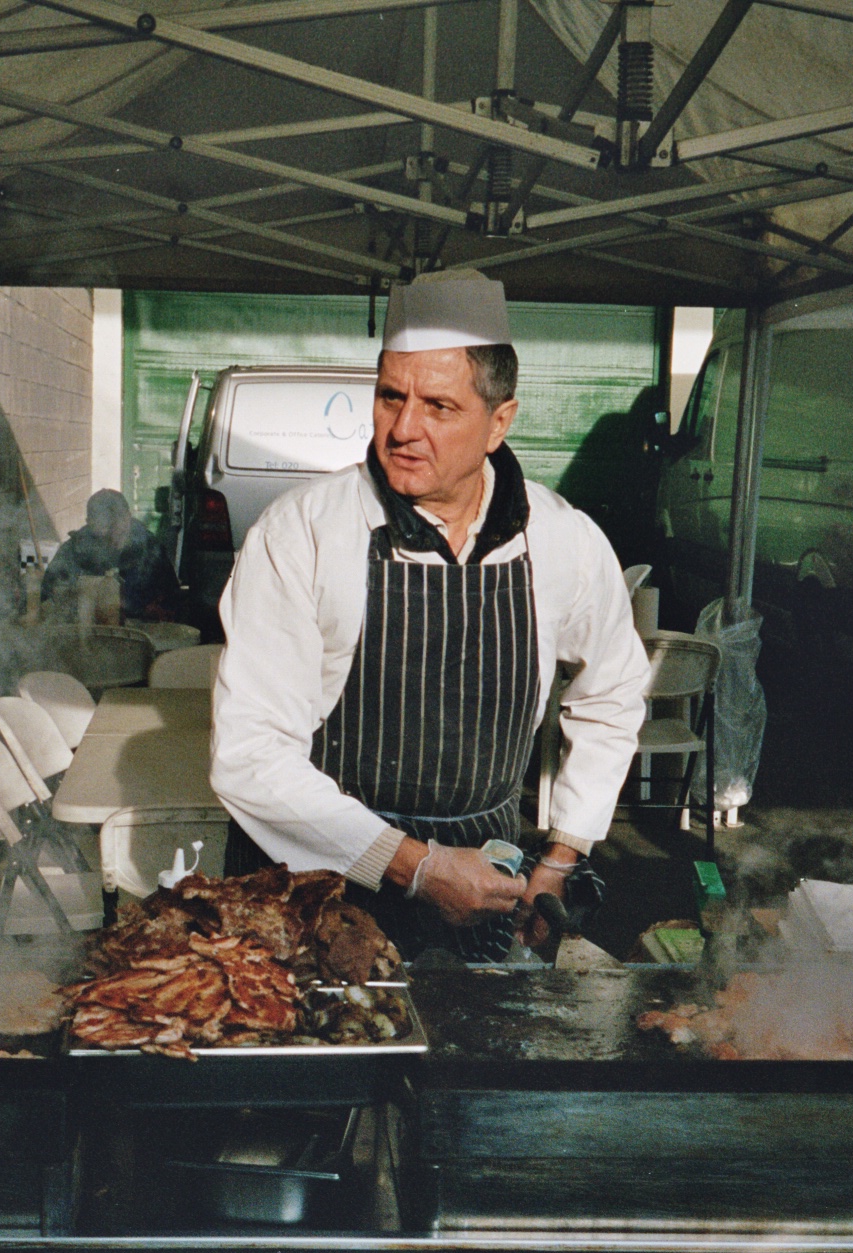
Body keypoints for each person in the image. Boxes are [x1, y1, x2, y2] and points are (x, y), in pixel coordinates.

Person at [209, 271, 648, 962]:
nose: (403, 429)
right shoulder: (303, 534)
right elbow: (250, 755)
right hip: (317, 889)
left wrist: (561, 856)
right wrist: (414, 864)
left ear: (499, 421)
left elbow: (613, 694)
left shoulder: (565, 541)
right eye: (390, 396)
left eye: (439, 406)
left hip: (485, 890)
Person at [41, 488, 180, 622]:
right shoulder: (73, 550)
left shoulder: (150, 549)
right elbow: (46, 594)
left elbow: (173, 601)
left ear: (128, 517)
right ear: (89, 522)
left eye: (118, 522)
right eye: (105, 527)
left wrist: (152, 611)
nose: (113, 534)